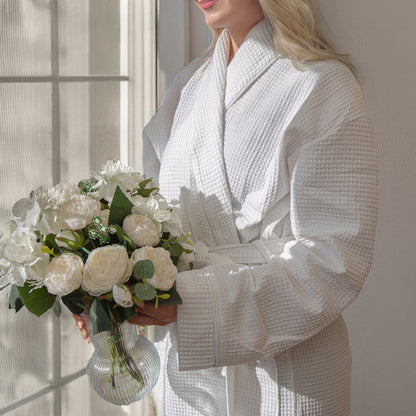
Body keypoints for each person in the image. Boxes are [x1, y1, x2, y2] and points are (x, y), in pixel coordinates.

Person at [74, 0, 378, 414]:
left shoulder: (323, 84)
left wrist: (190, 303)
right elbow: (155, 217)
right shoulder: (190, 83)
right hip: (187, 372)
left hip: (288, 369)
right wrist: (115, 293)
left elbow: (335, 261)